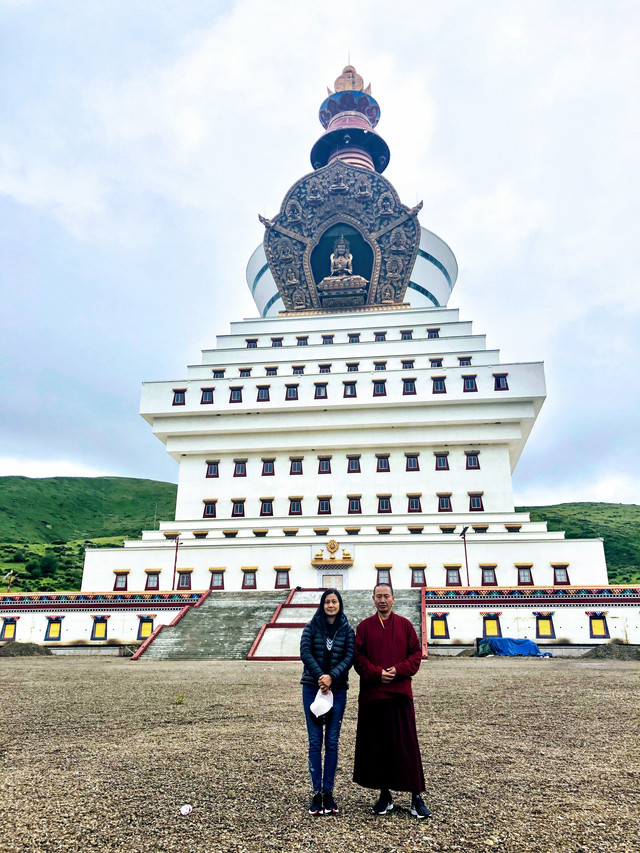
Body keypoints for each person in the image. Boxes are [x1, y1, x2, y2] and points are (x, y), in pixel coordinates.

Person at [352, 583, 431, 819]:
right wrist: (377, 673)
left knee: (406, 746)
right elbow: (358, 657)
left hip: (399, 695)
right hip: (373, 696)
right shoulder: (364, 627)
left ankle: (416, 795)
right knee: (378, 747)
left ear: (393, 599)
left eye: (386, 596)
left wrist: (397, 670)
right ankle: (384, 794)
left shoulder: (405, 625)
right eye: (378, 596)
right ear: (373, 599)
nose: (382, 600)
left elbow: (415, 654)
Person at [300, 588, 355, 816]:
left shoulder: (347, 629)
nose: (331, 605)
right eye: (327, 602)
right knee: (315, 741)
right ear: (322, 605)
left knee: (332, 741)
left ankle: (329, 792)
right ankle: (316, 792)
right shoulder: (312, 626)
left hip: (338, 688)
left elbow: (349, 656)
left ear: (340, 604)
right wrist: (321, 677)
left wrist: (332, 677)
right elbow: (305, 652)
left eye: (334, 602)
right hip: (312, 686)